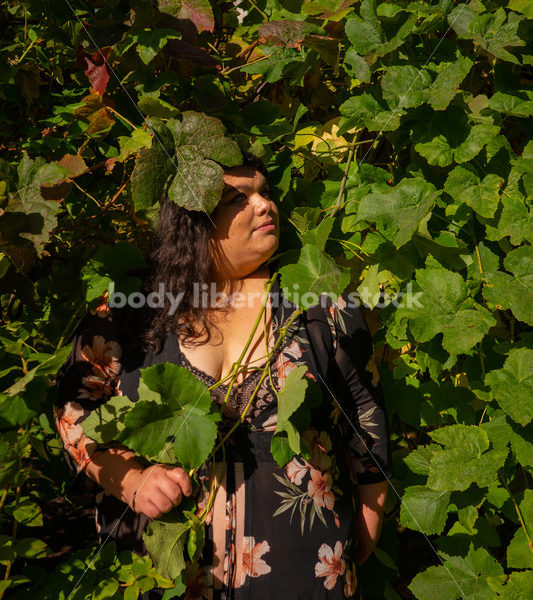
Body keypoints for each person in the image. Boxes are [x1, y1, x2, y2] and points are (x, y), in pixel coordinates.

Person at [55, 152, 391, 599]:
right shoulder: (130, 311)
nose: (264, 205)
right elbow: (74, 408)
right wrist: (133, 480)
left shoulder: (319, 305)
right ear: (193, 224)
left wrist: (368, 519)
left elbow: (364, 412)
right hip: (164, 578)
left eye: (264, 192)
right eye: (238, 199)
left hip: (304, 576)